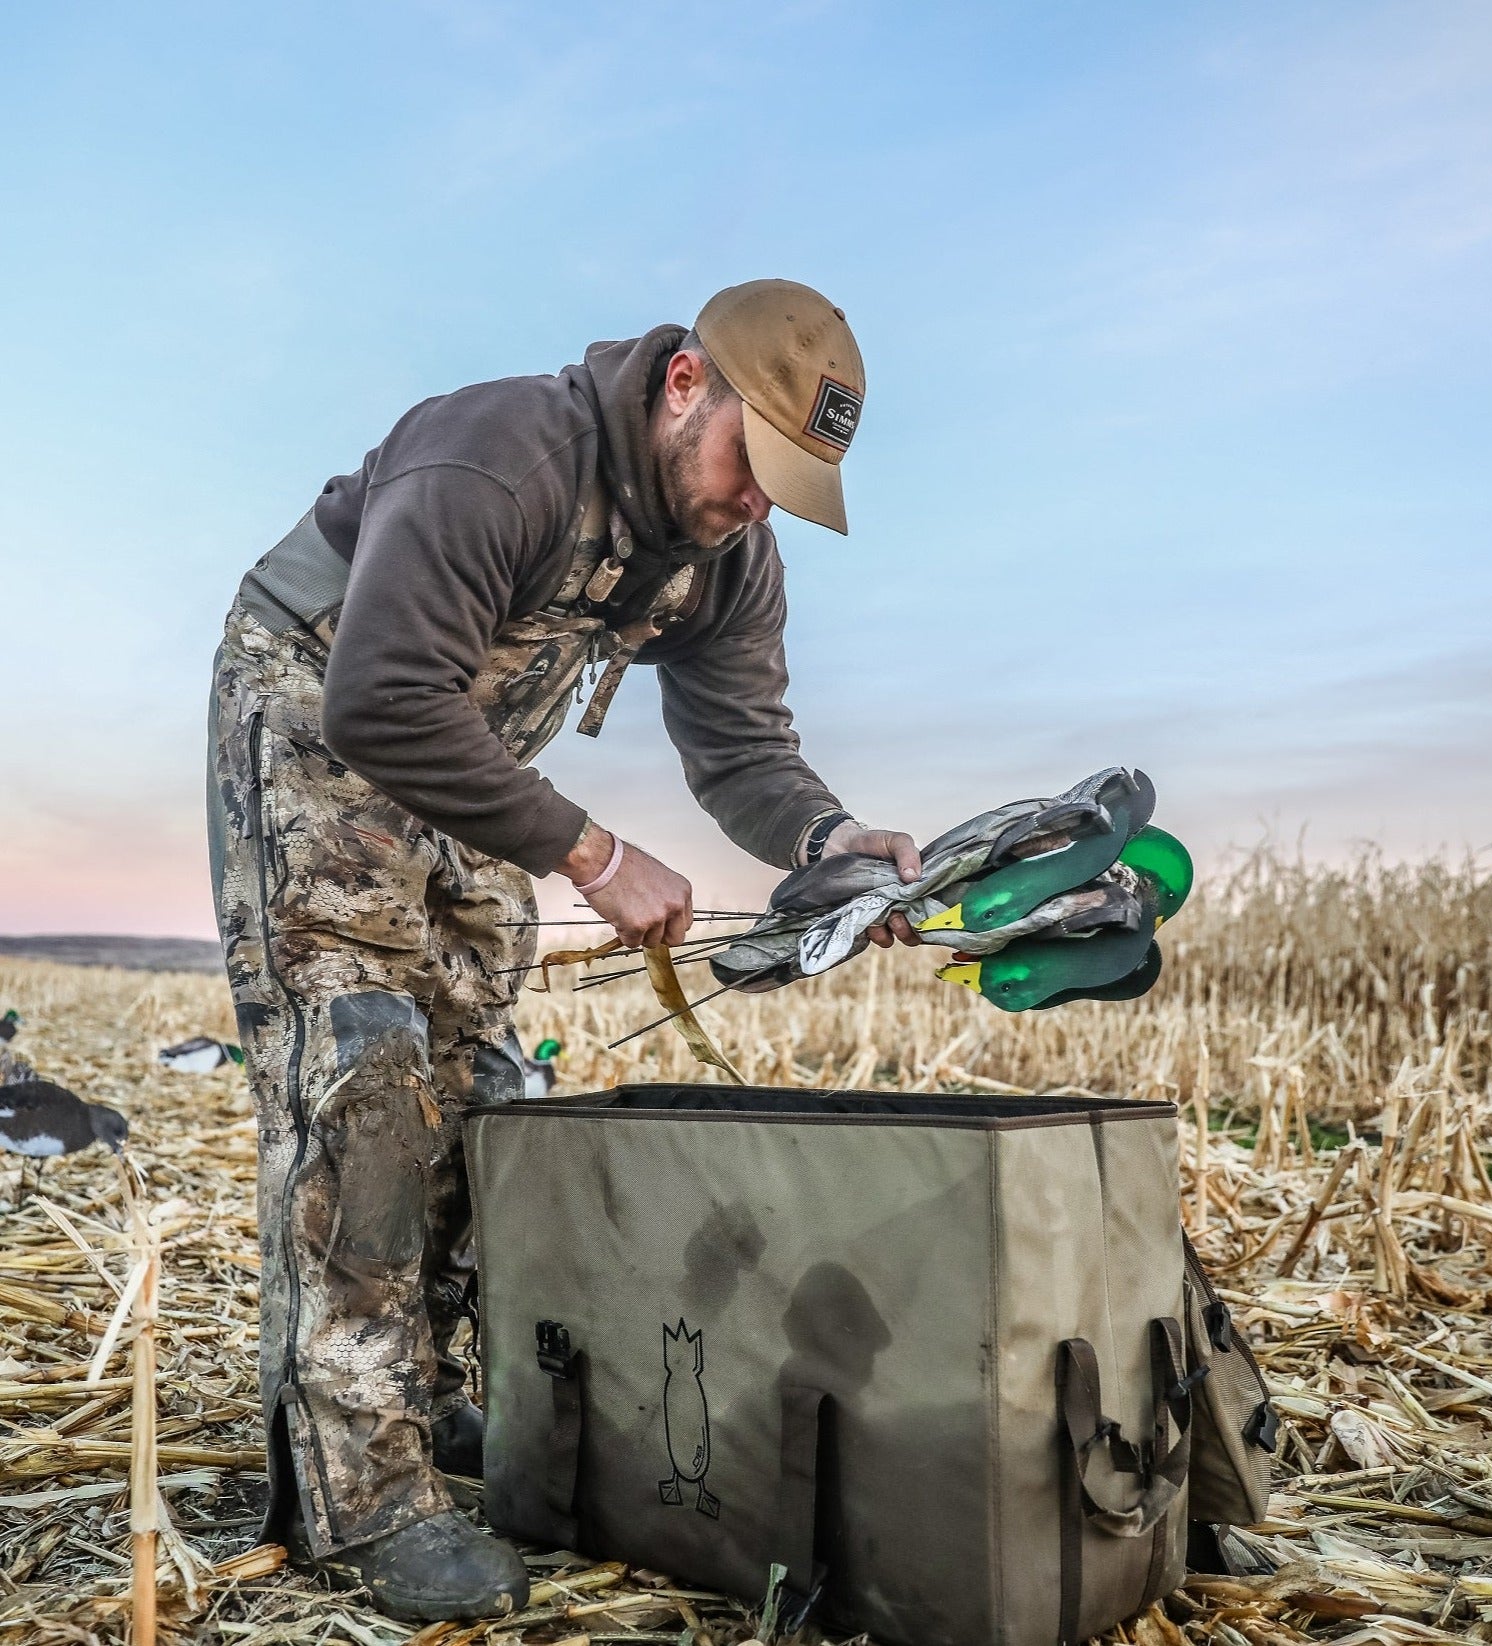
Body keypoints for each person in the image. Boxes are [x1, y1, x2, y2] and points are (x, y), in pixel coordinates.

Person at [206, 280, 921, 1621]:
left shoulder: (726, 550)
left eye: (784, 488)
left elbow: (744, 749)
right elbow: (379, 696)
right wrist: (590, 851)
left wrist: (827, 840)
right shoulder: (501, 456)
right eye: (747, 466)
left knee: (483, 1095)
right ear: (683, 385)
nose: (753, 504)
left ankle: (414, 1400)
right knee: (363, 1076)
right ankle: (356, 1499)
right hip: (319, 706)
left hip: (473, 761)